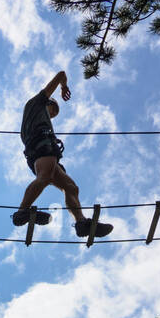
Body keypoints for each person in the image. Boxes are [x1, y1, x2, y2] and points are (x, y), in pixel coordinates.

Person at [12, 71, 113, 238]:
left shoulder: (38, 117)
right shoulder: (37, 103)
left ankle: (81, 223)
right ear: (48, 102)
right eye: (53, 111)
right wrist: (64, 86)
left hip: (42, 149)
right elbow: (61, 74)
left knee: (71, 187)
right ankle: (22, 211)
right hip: (41, 146)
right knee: (44, 177)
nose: (52, 116)